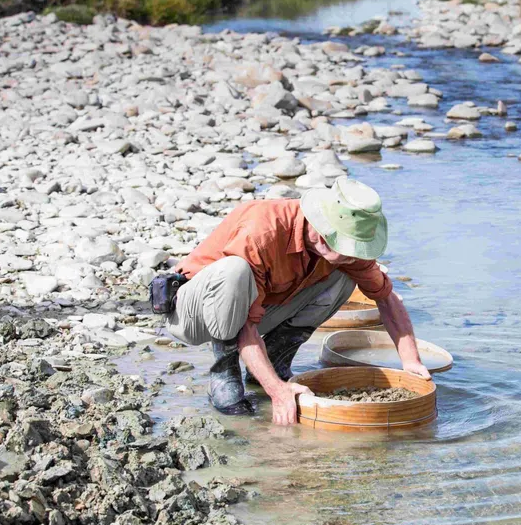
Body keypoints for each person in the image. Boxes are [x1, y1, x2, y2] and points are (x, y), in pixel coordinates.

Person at [163, 177, 429, 425]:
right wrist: (278, 393)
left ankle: (272, 363)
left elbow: (385, 298)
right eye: (346, 248)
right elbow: (244, 323)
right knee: (235, 270)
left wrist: (411, 361)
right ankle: (224, 371)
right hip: (192, 314)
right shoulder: (264, 231)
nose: (353, 256)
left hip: (255, 310)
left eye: (355, 249)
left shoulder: (350, 251)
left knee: (345, 278)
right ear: (322, 232)